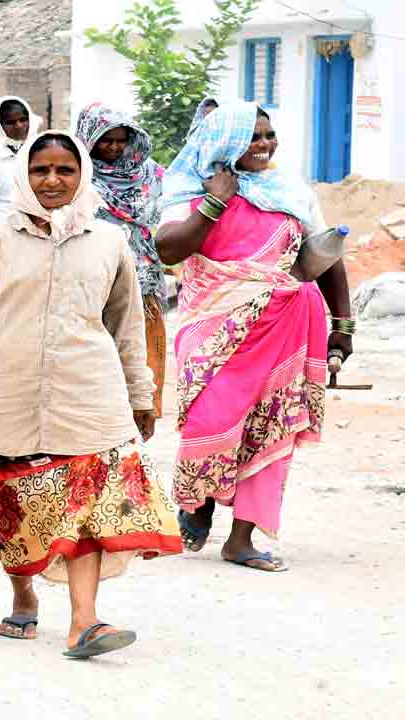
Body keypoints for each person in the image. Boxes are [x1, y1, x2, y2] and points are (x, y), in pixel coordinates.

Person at [0, 130, 181, 657]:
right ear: (24, 175)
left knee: (84, 506)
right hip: (5, 393)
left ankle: (85, 622)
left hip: (89, 391)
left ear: (81, 173)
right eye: (41, 170)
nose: (53, 180)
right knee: (16, 504)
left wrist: (141, 395)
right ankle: (23, 595)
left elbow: (127, 324)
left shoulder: (110, 242)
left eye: (65, 170)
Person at [156, 102, 350, 572]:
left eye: (269, 135)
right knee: (210, 420)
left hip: (286, 322)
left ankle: (241, 538)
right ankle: (198, 501)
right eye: (253, 137)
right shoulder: (190, 188)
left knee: (272, 424)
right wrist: (217, 201)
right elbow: (169, 249)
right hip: (213, 326)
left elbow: (323, 256)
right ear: (225, 143)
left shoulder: (290, 191)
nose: (265, 145)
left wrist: (343, 326)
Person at [75, 102, 168, 416]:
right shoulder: (77, 178)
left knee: (141, 355)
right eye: (105, 139)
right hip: (98, 281)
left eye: (120, 139)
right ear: (88, 139)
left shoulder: (151, 173)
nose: (114, 147)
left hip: (144, 280)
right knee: (101, 356)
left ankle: (142, 415)